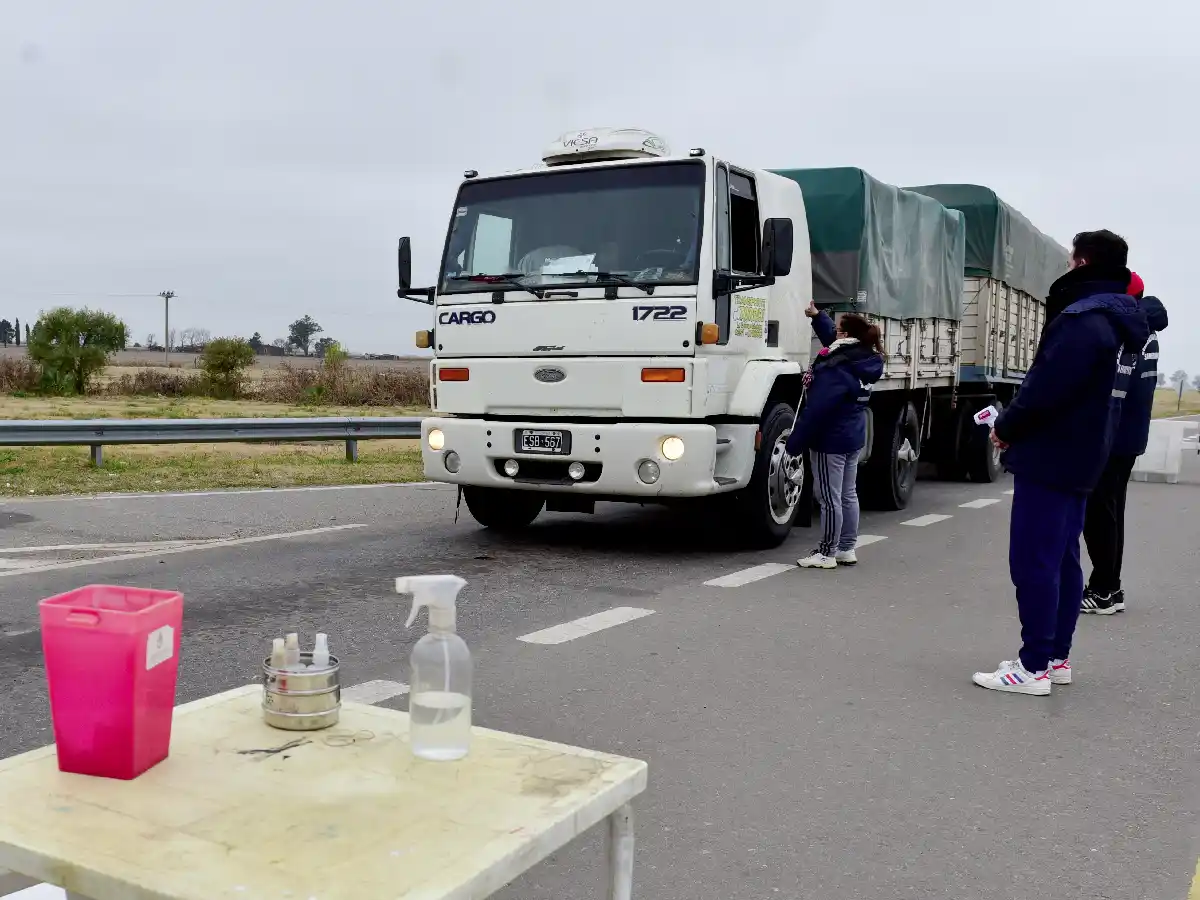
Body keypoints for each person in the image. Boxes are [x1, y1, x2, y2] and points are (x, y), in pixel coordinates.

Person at [973, 230, 1148, 696]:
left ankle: (1032, 668)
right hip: (1085, 452)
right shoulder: (1116, 321)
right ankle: (1055, 656)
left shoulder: (1080, 319)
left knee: (1034, 559)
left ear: (1083, 263)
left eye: (1072, 261)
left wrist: (1006, 427)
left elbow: (1044, 388)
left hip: (1052, 453)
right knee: (1065, 557)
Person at [1081, 273, 1168, 614]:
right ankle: (1110, 588)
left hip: (1113, 436)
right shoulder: (1146, 328)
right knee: (1110, 512)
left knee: (1099, 514)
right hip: (1128, 436)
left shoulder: (1128, 330)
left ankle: (1103, 589)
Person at [786, 301, 884, 570]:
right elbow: (835, 338)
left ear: (845, 335)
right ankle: (846, 548)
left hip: (830, 439)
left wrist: (795, 442)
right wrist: (819, 317)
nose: (833, 333)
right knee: (848, 494)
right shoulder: (862, 358)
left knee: (829, 498)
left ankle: (826, 553)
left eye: (838, 329)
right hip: (852, 435)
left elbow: (817, 409)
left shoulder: (835, 366)